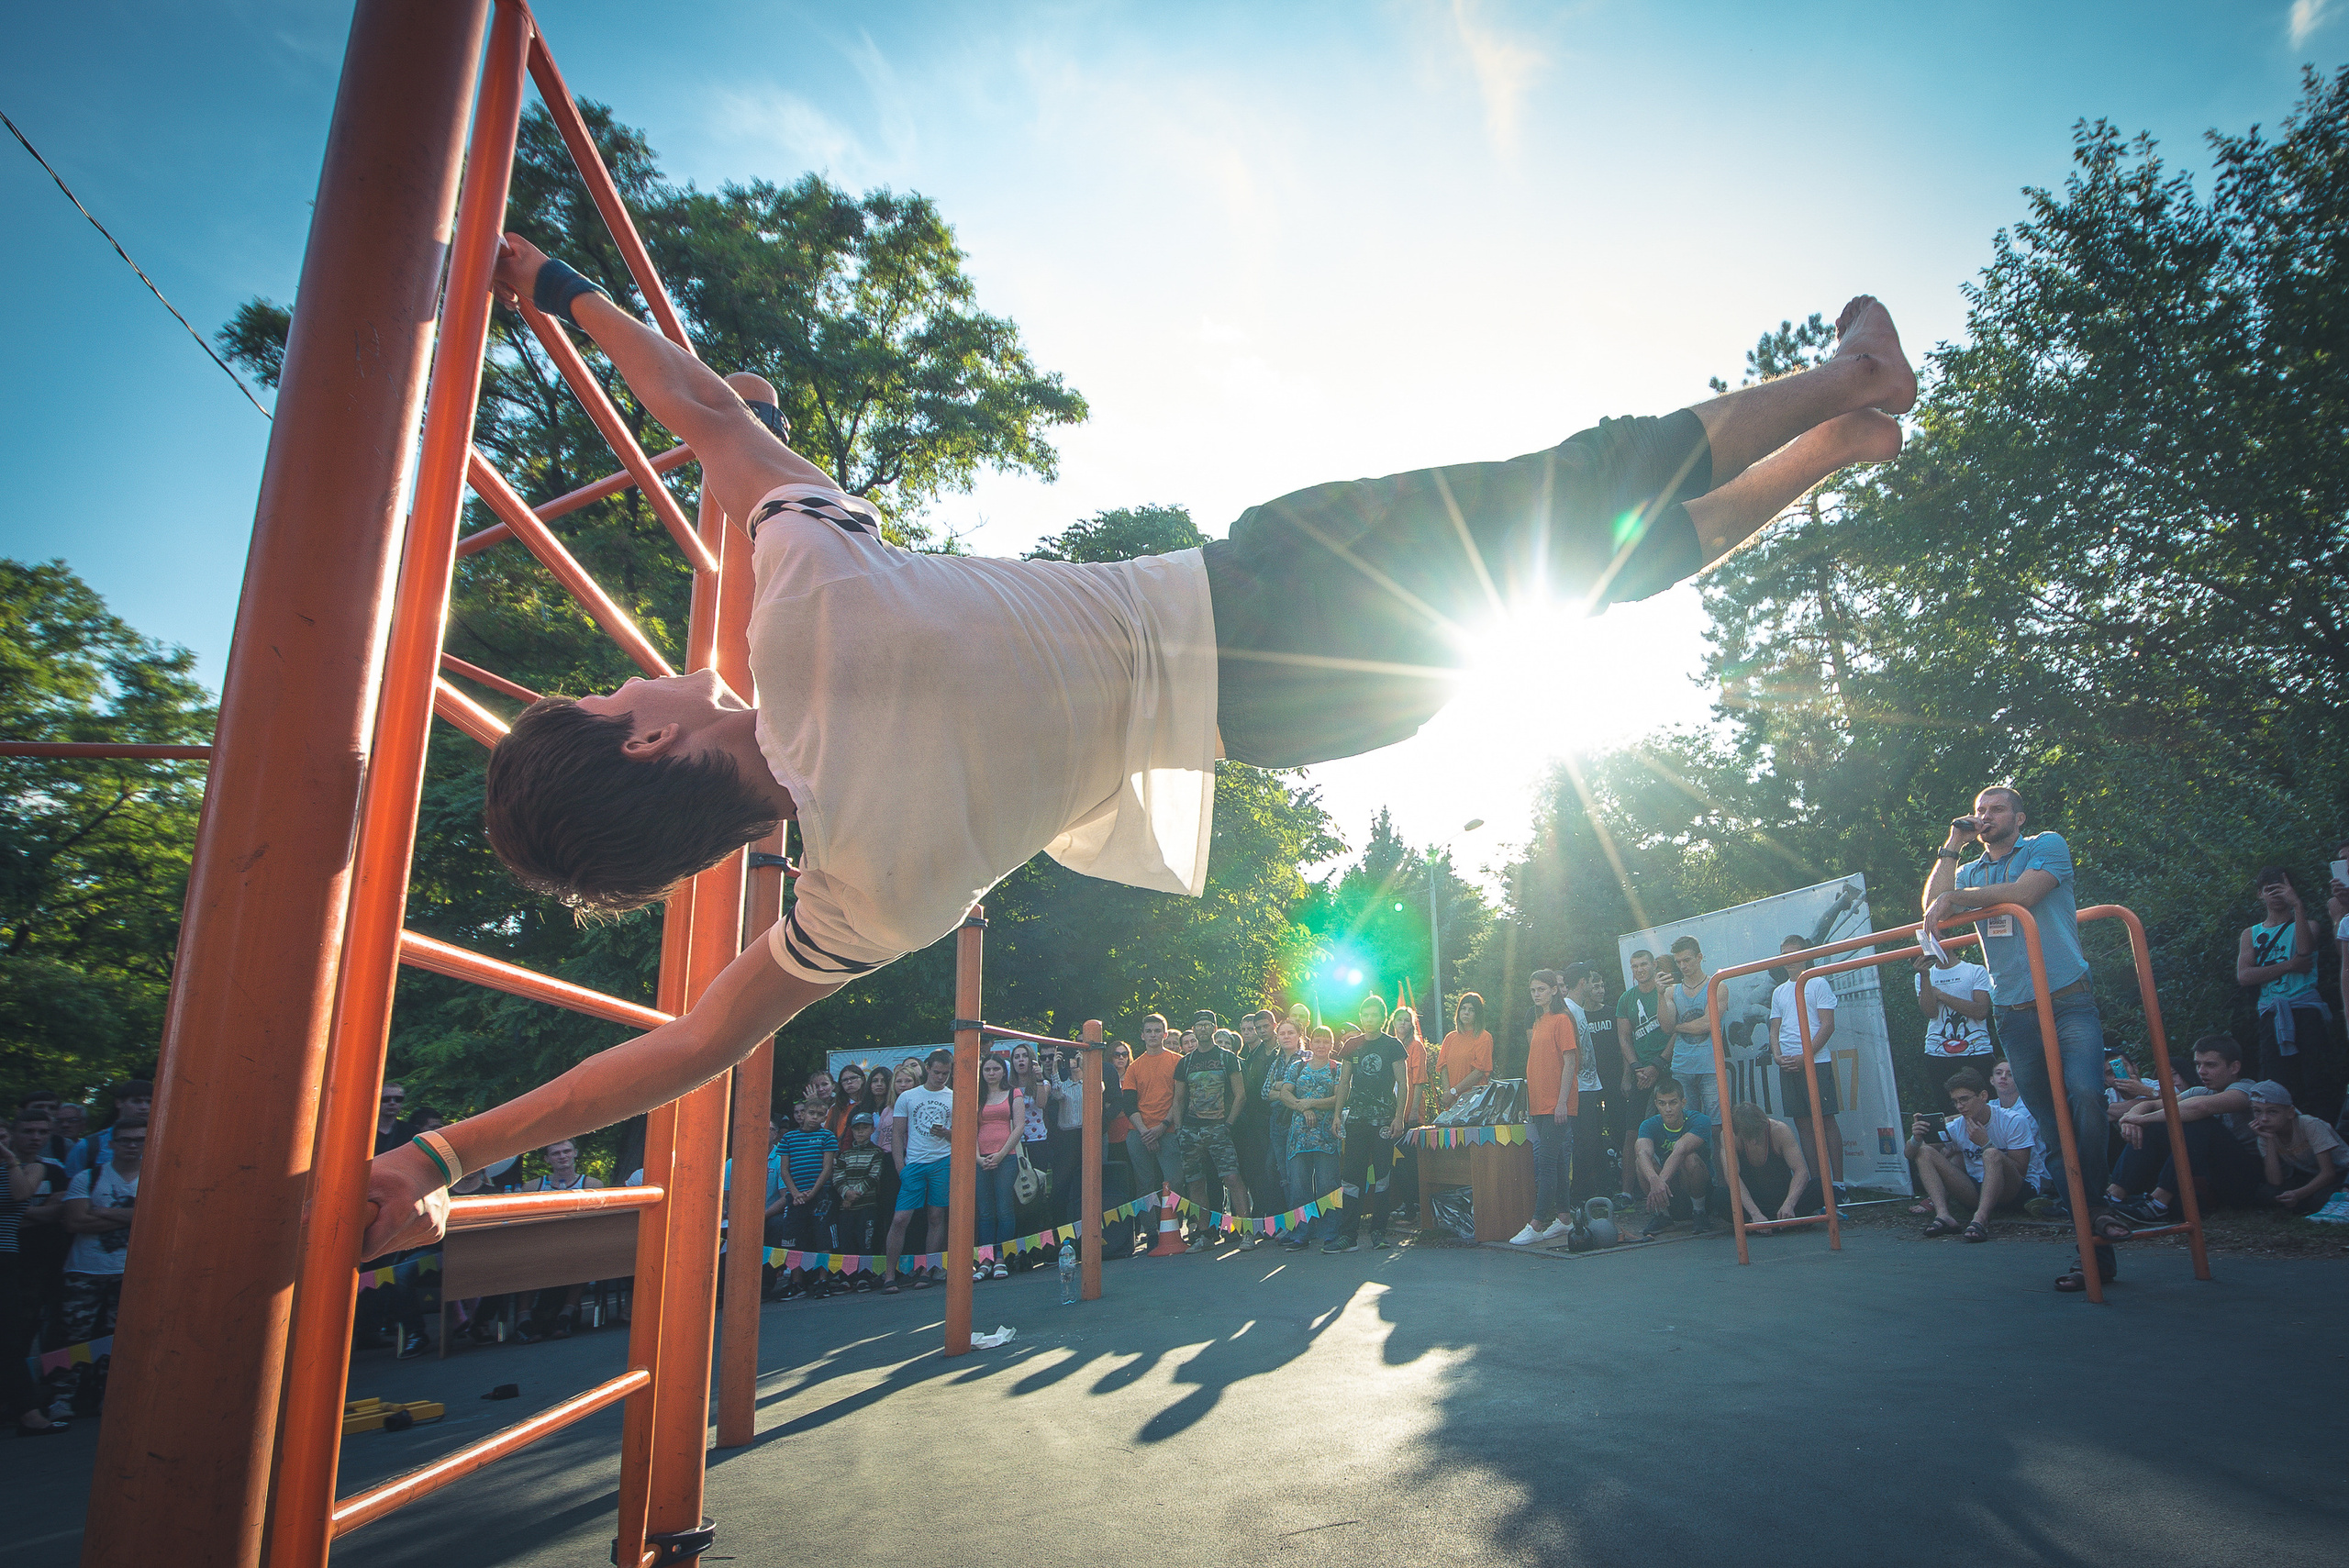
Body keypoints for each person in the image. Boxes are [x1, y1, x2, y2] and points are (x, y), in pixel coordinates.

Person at [362, 241, 1920, 1251]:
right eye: (617, 695)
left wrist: (447, 1150)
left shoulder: (853, 900)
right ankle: (1848, 380)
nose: (639, 677)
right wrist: (559, 288)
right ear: (644, 739)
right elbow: (710, 415)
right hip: (1271, 594)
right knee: (1572, 496)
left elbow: (691, 1046)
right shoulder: (807, 599)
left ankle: (1838, 448)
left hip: (1286, 724)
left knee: (1581, 574)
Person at [1921, 784, 2129, 1289]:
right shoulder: (1970, 870)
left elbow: (2025, 895)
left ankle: (2095, 1205)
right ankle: (2093, 1244)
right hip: (2015, 1012)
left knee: (2086, 1095)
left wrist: (1957, 897)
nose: (1985, 817)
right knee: (2051, 1127)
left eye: (1996, 809)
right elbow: (1932, 909)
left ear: (2019, 817)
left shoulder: (2045, 845)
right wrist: (1953, 844)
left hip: (2066, 1000)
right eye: (1979, 811)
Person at [2107, 1036, 2263, 1224]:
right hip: (2212, 1175)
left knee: (2197, 1122)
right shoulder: (2202, 1091)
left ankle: (2158, 1204)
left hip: (2247, 1176)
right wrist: (2132, 1117)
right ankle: (2114, 1195)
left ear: (2234, 1067)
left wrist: (2142, 1119)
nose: (2202, 1071)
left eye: (2211, 1065)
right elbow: (2153, 1104)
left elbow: (2200, 1108)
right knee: (2159, 1123)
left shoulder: (2248, 1090)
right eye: (2198, 1064)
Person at [60, 1118, 144, 1413]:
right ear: (112, 1144)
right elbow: (74, 1221)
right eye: (125, 1140)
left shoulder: (155, 1178)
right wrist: (133, 1216)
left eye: (139, 1140)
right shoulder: (88, 1177)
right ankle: (62, 1397)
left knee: (118, 1339)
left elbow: (155, 1218)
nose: (132, 1145)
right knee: (74, 1337)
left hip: (129, 1272)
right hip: (84, 1271)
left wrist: (102, 1212)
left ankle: (108, 1398)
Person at [1905, 1068, 2040, 1241]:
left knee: (1991, 1154)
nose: (1959, 1106)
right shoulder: (1958, 1126)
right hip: (1977, 1190)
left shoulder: (2013, 1120)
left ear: (1983, 1096)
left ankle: (1980, 1219)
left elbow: (2021, 1171)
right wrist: (1916, 1138)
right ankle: (1943, 1215)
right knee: (1925, 1151)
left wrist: (1985, 1143)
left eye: (1964, 1099)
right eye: (1955, 1101)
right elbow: (1910, 1154)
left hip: (2014, 1191)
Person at [2237, 869, 2329, 1118]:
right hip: (2272, 1013)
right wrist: (2290, 965)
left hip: (2306, 1009)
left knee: (2315, 1078)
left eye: (2281, 889)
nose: (2276, 895)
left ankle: (2319, 1130)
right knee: (2277, 1081)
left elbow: (2305, 949)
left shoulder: (2309, 925)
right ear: (2260, 894)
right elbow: (2244, 976)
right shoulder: (2250, 934)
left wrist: (2297, 905)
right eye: (2270, 889)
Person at [3, 1112, 69, 1434]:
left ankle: (28, 1413)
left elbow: (20, 1194)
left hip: (6, 1259)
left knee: (8, 1338)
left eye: (2, 1139)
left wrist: (7, 1160)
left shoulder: (34, 1168)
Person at [1331, 998, 1411, 1252]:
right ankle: (1348, 1235)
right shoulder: (1351, 1045)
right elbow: (1344, 1084)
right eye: (1365, 1014)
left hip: (1384, 1123)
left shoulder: (1393, 1045)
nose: (1369, 1019)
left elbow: (1403, 1083)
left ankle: (1379, 1232)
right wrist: (1337, 1115)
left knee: (1382, 1177)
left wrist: (1399, 1117)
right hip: (1356, 1121)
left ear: (1383, 1018)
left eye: (1374, 1014)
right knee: (1351, 1178)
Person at [1768, 935, 1844, 1193]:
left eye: (1795, 953)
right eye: (1785, 954)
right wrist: (1777, 1056)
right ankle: (1817, 1184)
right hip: (1788, 1064)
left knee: (1825, 1120)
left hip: (1816, 1062)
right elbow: (1774, 1029)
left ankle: (1839, 1185)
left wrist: (1805, 1057)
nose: (1790, 959)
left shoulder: (1818, 982)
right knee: (1802, 1124)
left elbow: (1828, 1025)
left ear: (1806, 954)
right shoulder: (1779, 991)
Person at [1511, 969, 1582, 1245]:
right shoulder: (1539, 1020)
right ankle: (1564, 1218)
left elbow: (1570, 1062)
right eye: (1533, 990)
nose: (1536, 994)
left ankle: (1537, 1223)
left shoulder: (1562, 1019)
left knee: (1547, 1162)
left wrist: (1562, 1102)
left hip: (1557, 1103)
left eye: (1541, 989)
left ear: (1554, 990)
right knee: (1559, 1160)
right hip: (1540, 1102)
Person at [1173, 1027, 1254, 1251]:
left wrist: (1228, 1124)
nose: (1203, 1029)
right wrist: (1179, 1129)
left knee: (1232, 1178)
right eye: (1199, 1025)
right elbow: (1178, 1099)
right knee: (1195, 1182)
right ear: (1194, 1028)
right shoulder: (1186, 1062)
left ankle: (1247, 1232)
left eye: (1208, 1024)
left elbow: (1241, 1095)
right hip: (1191, 1129)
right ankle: (1205, 1234)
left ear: (1214, 1028)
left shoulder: (1227, 1058)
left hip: (1219, 1127)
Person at [882, 1050, 954, 1294]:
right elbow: (897, 1135)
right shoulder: (908, 1097)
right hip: (913, 1163)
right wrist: (900, 1167)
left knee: (936, 1216)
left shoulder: (954, 1097)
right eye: (937, 1072)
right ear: (927, 1068)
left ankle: (927, 1270)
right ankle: (889, 1275)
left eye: (945, 1073)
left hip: (942, 1161)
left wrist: (947, 1133)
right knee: (900, 1219)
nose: (941, 1077)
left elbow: (962, 1135)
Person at [1275, 1025, 1348, 1251]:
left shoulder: (1337, 1069)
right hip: (1299, 1137)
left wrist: (1312, 1103)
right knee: (1299, 1187)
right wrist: (1303, 1107)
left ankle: (1330, 1232)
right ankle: (1302, 1232)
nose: (1321, 1045)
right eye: (1317, 1041)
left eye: (1326, 1041)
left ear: (1332, 1045)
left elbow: (1339, 1098)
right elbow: (1285, 1093)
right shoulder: (1298, 1066)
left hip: (1326, 1137)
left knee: (1328, 1185)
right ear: (1310, 1043)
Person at [2245, 1081, 2346, 1213]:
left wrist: (2298, 1194)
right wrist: (2269, 1140)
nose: (2263, 1119)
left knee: (2320, 1199)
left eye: (2272, 1112)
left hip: (2341, 1173)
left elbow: (2329, 1173)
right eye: (2257, 1111)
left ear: (2290, 1112)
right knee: (2267, 1194)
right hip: (2310, 1175)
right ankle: (2303, 1204)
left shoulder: (2309, 1124)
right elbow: (2275, 1182)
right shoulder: (2265, 1135)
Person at [773, 1102, 839, 1298]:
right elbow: (784, 1170)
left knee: (823, 1239)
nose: (815, 1117)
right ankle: (796, 1282)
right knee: (793, 1240)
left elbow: (827, 1168)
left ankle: (823, 1280)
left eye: (820, 1114)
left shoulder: (827, 1136)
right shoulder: (789, 1138)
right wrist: (795, 1193)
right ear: (803, 1114)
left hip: (821, 1195)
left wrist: (813, 1191)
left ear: (824, 1117)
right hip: (796, 1196)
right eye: (811, 1113)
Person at [1123, 1014, 1186, 1213]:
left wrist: (1162, 1127)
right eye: (1148, 1031)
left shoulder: (1178, 1061)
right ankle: (1149, 1228)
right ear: (1142, 1035)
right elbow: (1129, 1105)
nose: (1153, 1035)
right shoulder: (1134, 1067)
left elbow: (1180, 1099)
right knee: (1145, 1184)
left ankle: (1173, 1226)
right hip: (1139, 1132)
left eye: (1157, 1031)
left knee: (1175, 1181)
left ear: (1165, 1034)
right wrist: (1145, 1132)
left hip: (1169, 1130)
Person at [1634, 1081, 1713, 1237]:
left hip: (1697, 1188)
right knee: (1641, 1163)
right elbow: (1642, 1152)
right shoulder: (1649, 1125)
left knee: (1690, 1158)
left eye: (1673, 1103)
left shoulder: (1700, 1120)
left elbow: (1680, 1149)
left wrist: (1659, 1182)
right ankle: (1663, 1215)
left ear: (1683, 1102)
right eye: (1662, 1103)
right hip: (1668, 1192)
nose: (1668, 1109)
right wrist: (1653, 1180)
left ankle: (1700, 1212)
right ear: (1656, 1104)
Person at [1724, 1102, 1821, 1228]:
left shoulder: (1780, 1130)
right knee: (1720, 1198)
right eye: (1748, 1137)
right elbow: (1732, 1178)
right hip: (1754, 1200)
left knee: (1820, 1186)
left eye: (1757, 1135)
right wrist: (1755, 1213)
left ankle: (1773, 1222)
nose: (1753, 1142)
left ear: (1764, 1126)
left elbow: (1801, 1172)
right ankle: (1781, 1223)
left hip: (1783, 1196)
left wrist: (1789, 1204)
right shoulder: (1729, 1136)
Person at [971, 1053, 1024, 1280]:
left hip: (1006, 1157)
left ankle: (1002, 1258)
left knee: (1004, 1208)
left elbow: (1019, 1127)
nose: (991, 1073)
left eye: (996, 1069)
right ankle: (985, 1260)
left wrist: (1001, 1155)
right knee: (985, 1212)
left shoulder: (1014, 1093)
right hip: (980, 1159)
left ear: (1004, 1071)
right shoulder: (976, 1096)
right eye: (987, 1069)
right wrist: (977, 1158)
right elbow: (970, 1128)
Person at [1916, 948, 1995, 1083]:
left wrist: (1941, 995)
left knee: (1982, 1095)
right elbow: (1930, 1013)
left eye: (1938, 939)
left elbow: (1981, 1012)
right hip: (1937, 1053)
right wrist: (1924, 976)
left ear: (1950, 940)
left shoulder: (1976, 970)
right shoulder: (1922, 976)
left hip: (1977, 1051)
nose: (1933, 946)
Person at [1616, 953, 1672, 1142]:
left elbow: (1676, 1031)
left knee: (1671, 1125)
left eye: (1643, 964)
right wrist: (1635, 1068)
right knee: (1632, 1131)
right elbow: (1624, 1038)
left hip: (1669, 1068)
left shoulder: (1668, 991)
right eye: (1635, 966)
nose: (1639, 970)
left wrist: (1658, 1064)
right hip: (1641, 1074)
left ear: (1654, 965)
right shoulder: (1626, 998)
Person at [1662, 939, 1718, 1118]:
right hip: (1682, 1066)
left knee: (1717, 1121)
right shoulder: (1671, 991)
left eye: (1687, 960)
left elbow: (1707, 1024)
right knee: (1686, 1122)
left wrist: (1677, 1027)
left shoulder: (1716, 986)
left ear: (1699, 957)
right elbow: (1666, 1027)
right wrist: (1659, 994)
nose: (1682, 966)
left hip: (1711, 1065)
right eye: (1678, 962)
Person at [830, 1114, 887, 1289]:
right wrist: (846, 1193)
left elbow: (874, 1176)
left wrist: (855, 1194)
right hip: (846, 1207)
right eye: (857, 1128)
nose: (860, 1132)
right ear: (851, 1131)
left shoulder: (877, 1153)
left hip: (867, 1206)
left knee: (866, 1242)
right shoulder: (845, 1154)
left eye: (864, 1128)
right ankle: (847, 1277)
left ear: (872, 1129)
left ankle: (864, 1276)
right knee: (847, 1241)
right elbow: (837, 1177)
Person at [66, 1081, 154, 1178]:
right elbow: (72, 1182)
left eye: (149, 1102)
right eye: (137, 1101)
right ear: (119, 1103)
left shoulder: (163, 1144)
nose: (144, 1107)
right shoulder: (90, 1145)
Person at [1436, 993, 1493, 1112]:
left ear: (1478, 1014)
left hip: (1474, 1102)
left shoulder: (1484, 1037)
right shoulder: (1450, 1037)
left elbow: (1479, 1072)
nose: (1466, 1013)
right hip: (1452, 1102)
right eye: (1463, 1008)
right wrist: (1447, 1093)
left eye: (1471, 1010)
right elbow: (1443, 1068)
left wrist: (1454, 1091)